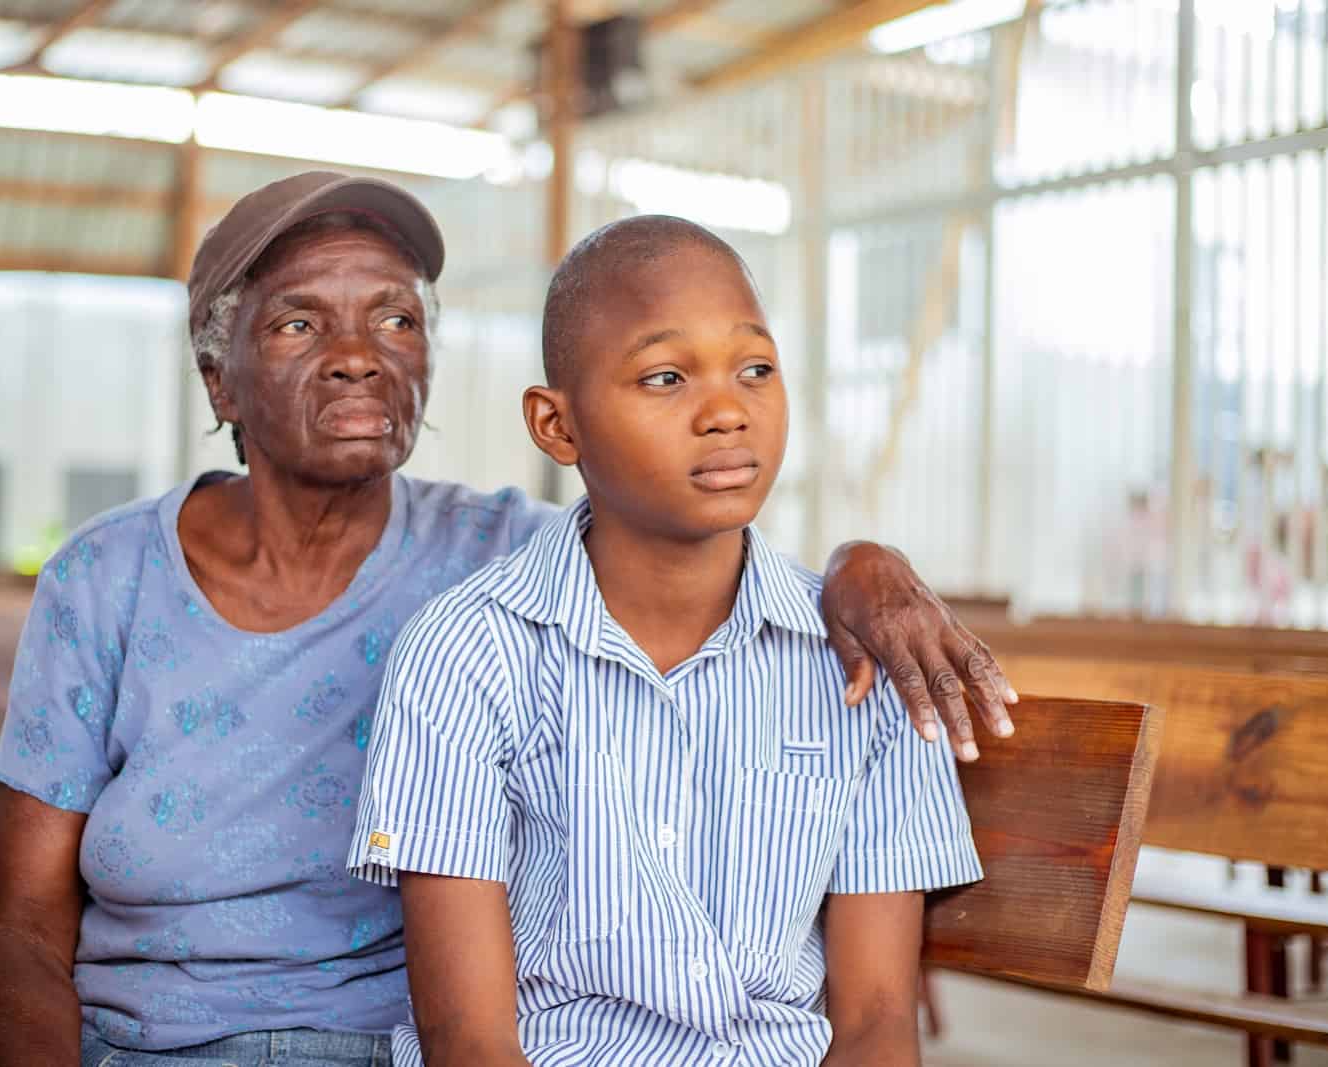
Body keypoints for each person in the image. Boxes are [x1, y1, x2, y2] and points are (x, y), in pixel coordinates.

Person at [0, 172, 1013, 1067]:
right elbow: (16, 923)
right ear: (216, 379)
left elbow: (670, 522)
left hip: (390, 1037)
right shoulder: (107, 578)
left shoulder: (498, 553)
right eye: (297, 322)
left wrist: (859, 567)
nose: (359, 351)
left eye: (397, 317)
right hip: (146, 1037)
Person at [347, 216, 982, 1066]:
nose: (726, 411)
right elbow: (468, 1039)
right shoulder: (467, 654)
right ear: (557, 426)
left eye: (756, 368)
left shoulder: (871, 662)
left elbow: (874, 1022)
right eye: (665, 376)